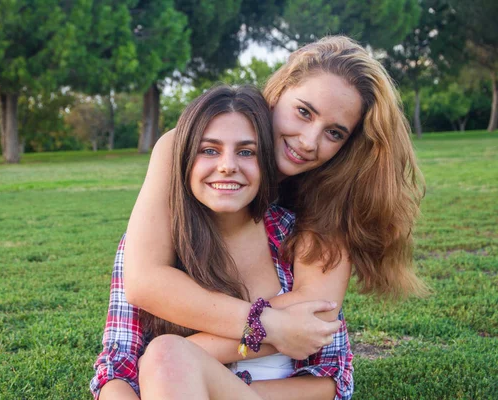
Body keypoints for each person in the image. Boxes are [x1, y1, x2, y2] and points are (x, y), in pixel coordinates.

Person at [118, 36, 427, 396]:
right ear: (278, 91)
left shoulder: (325, 201)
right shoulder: (187, 146)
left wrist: (166, 363)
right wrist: (266, 325)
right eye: (303, 112)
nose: (309, 141)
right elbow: (143, 281)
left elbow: (312, 321)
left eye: (334, 133)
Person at [91, 85, 352, 400]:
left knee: (166, 354)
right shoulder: (149, 246)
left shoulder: (302, 238)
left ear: (267, 162)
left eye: (246, 151)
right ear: (183, 159)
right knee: (166, 355)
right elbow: (118, 368)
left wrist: (196, 374)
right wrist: (269, 329)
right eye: (209, 150)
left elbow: (330, 378)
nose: (228, 165)